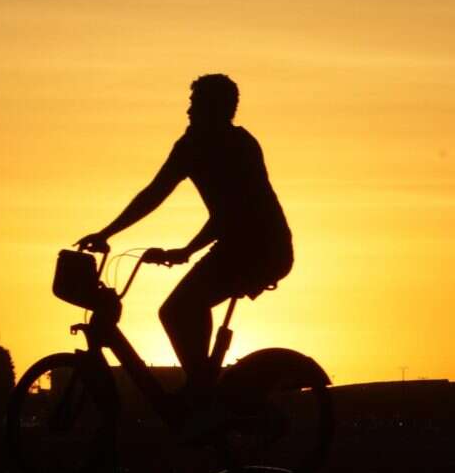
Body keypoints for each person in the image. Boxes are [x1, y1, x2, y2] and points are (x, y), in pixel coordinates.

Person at [77, 74, 293, 396]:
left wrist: (188, 250)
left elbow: (233, 213)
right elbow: (154, 193)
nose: (188, 112)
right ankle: (203, 386)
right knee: (183, 307)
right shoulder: (190, 147)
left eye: (196, 105)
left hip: (264, 248)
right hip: (234, 246)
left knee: (179, 309)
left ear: (216, 110)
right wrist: (107, 232)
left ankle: (201, 389)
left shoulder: (239, 146)